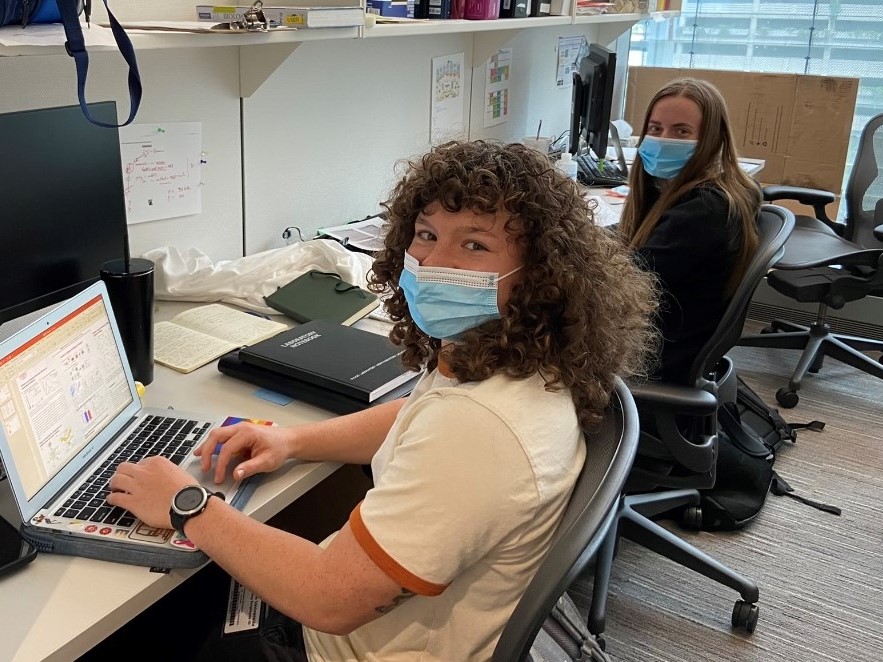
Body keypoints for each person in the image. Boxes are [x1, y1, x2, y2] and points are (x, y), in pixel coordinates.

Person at [104, 140, 657, 661]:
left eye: (474, 244)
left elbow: (328, 598)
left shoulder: (480, 426)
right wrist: (293, 439)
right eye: (424, 234)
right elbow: (415, 414)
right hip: (403, 610)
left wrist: (187, 505)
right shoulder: (509, 360)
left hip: (343, 644)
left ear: (540, 273)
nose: (434, 261)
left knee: (135, 627)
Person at [618, 77, 762, 385]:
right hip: (670, 336)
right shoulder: (712, 191)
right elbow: (636, 255)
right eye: (655, 129)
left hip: (656, 355)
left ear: (711, 138)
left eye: (681, 131)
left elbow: (624, 283)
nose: (663, 139)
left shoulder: (704, 211)